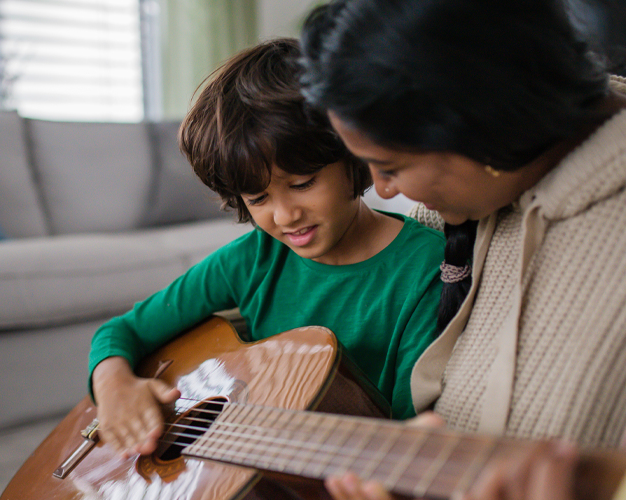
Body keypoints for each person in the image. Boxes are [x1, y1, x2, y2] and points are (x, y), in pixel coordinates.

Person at [298, 0, 626, 498]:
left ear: (485, 128)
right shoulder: (453, 209)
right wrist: (136, 359)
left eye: (390, 167)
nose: (383, 192)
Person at [88, 37, 446, 458]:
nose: (285, 215)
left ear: (355, 154)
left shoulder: (425, 269)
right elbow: (121, 330)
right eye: (257, 199)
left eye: (301, 184)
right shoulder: (250, 260)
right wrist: (113, 385)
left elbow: (410, 431)